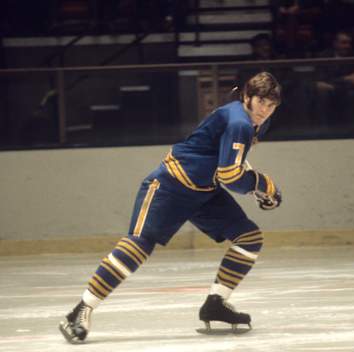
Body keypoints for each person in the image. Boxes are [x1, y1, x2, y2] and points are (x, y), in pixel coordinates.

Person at [58, 72, 283, 343]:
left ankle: (216, 303)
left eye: (271, 106)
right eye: (261, 103)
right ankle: (80, 310)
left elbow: (231, 162)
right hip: (171, 185)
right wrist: (264, 184)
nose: (265, 111)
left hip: (204, 191)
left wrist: (255, 184)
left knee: (249, 238)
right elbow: (230, 176)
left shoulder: (253, 122)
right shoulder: (239, 122)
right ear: (247, 97)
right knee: (139, 245)